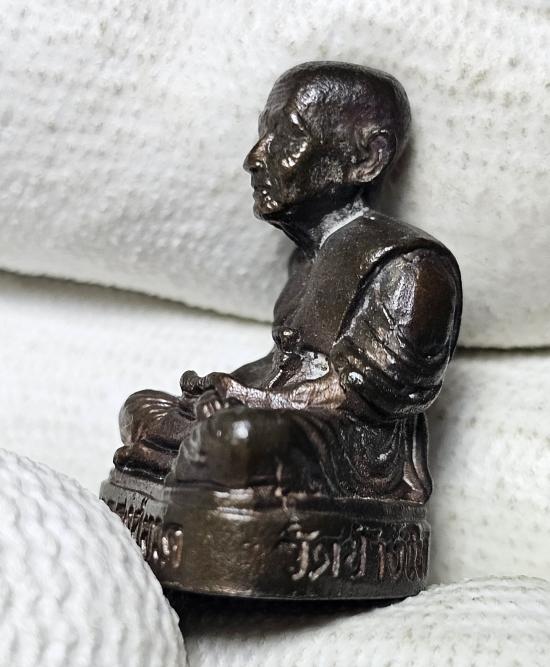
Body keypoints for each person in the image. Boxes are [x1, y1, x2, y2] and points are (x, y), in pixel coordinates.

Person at [113, 61, 461, 503]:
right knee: (142, 408)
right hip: (268, 418)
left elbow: (358, 398)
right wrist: (223, 385)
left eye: (289, 136)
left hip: (347, 454)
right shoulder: (307, 258)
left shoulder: (411, 267)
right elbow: (281, 363)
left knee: (235, 437)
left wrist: (251, 401)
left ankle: (195, 462)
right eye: (264, 133)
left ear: (367, 158)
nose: (255, 158)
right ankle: (194, 462)